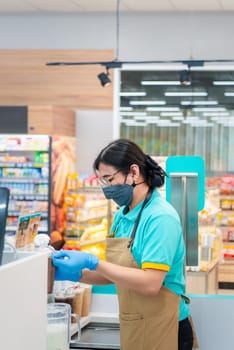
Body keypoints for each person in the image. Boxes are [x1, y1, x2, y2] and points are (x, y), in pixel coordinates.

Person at [52, 138, 194, 350]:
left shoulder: (160, 218)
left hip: (167, 327)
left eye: (109, 179)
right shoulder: (123, 215)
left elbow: (150, 283)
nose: (107, 189)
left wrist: (94, 262)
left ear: (134, 173)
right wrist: (75, 274)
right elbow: (117, 273)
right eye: (103, 182)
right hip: (135, 325)